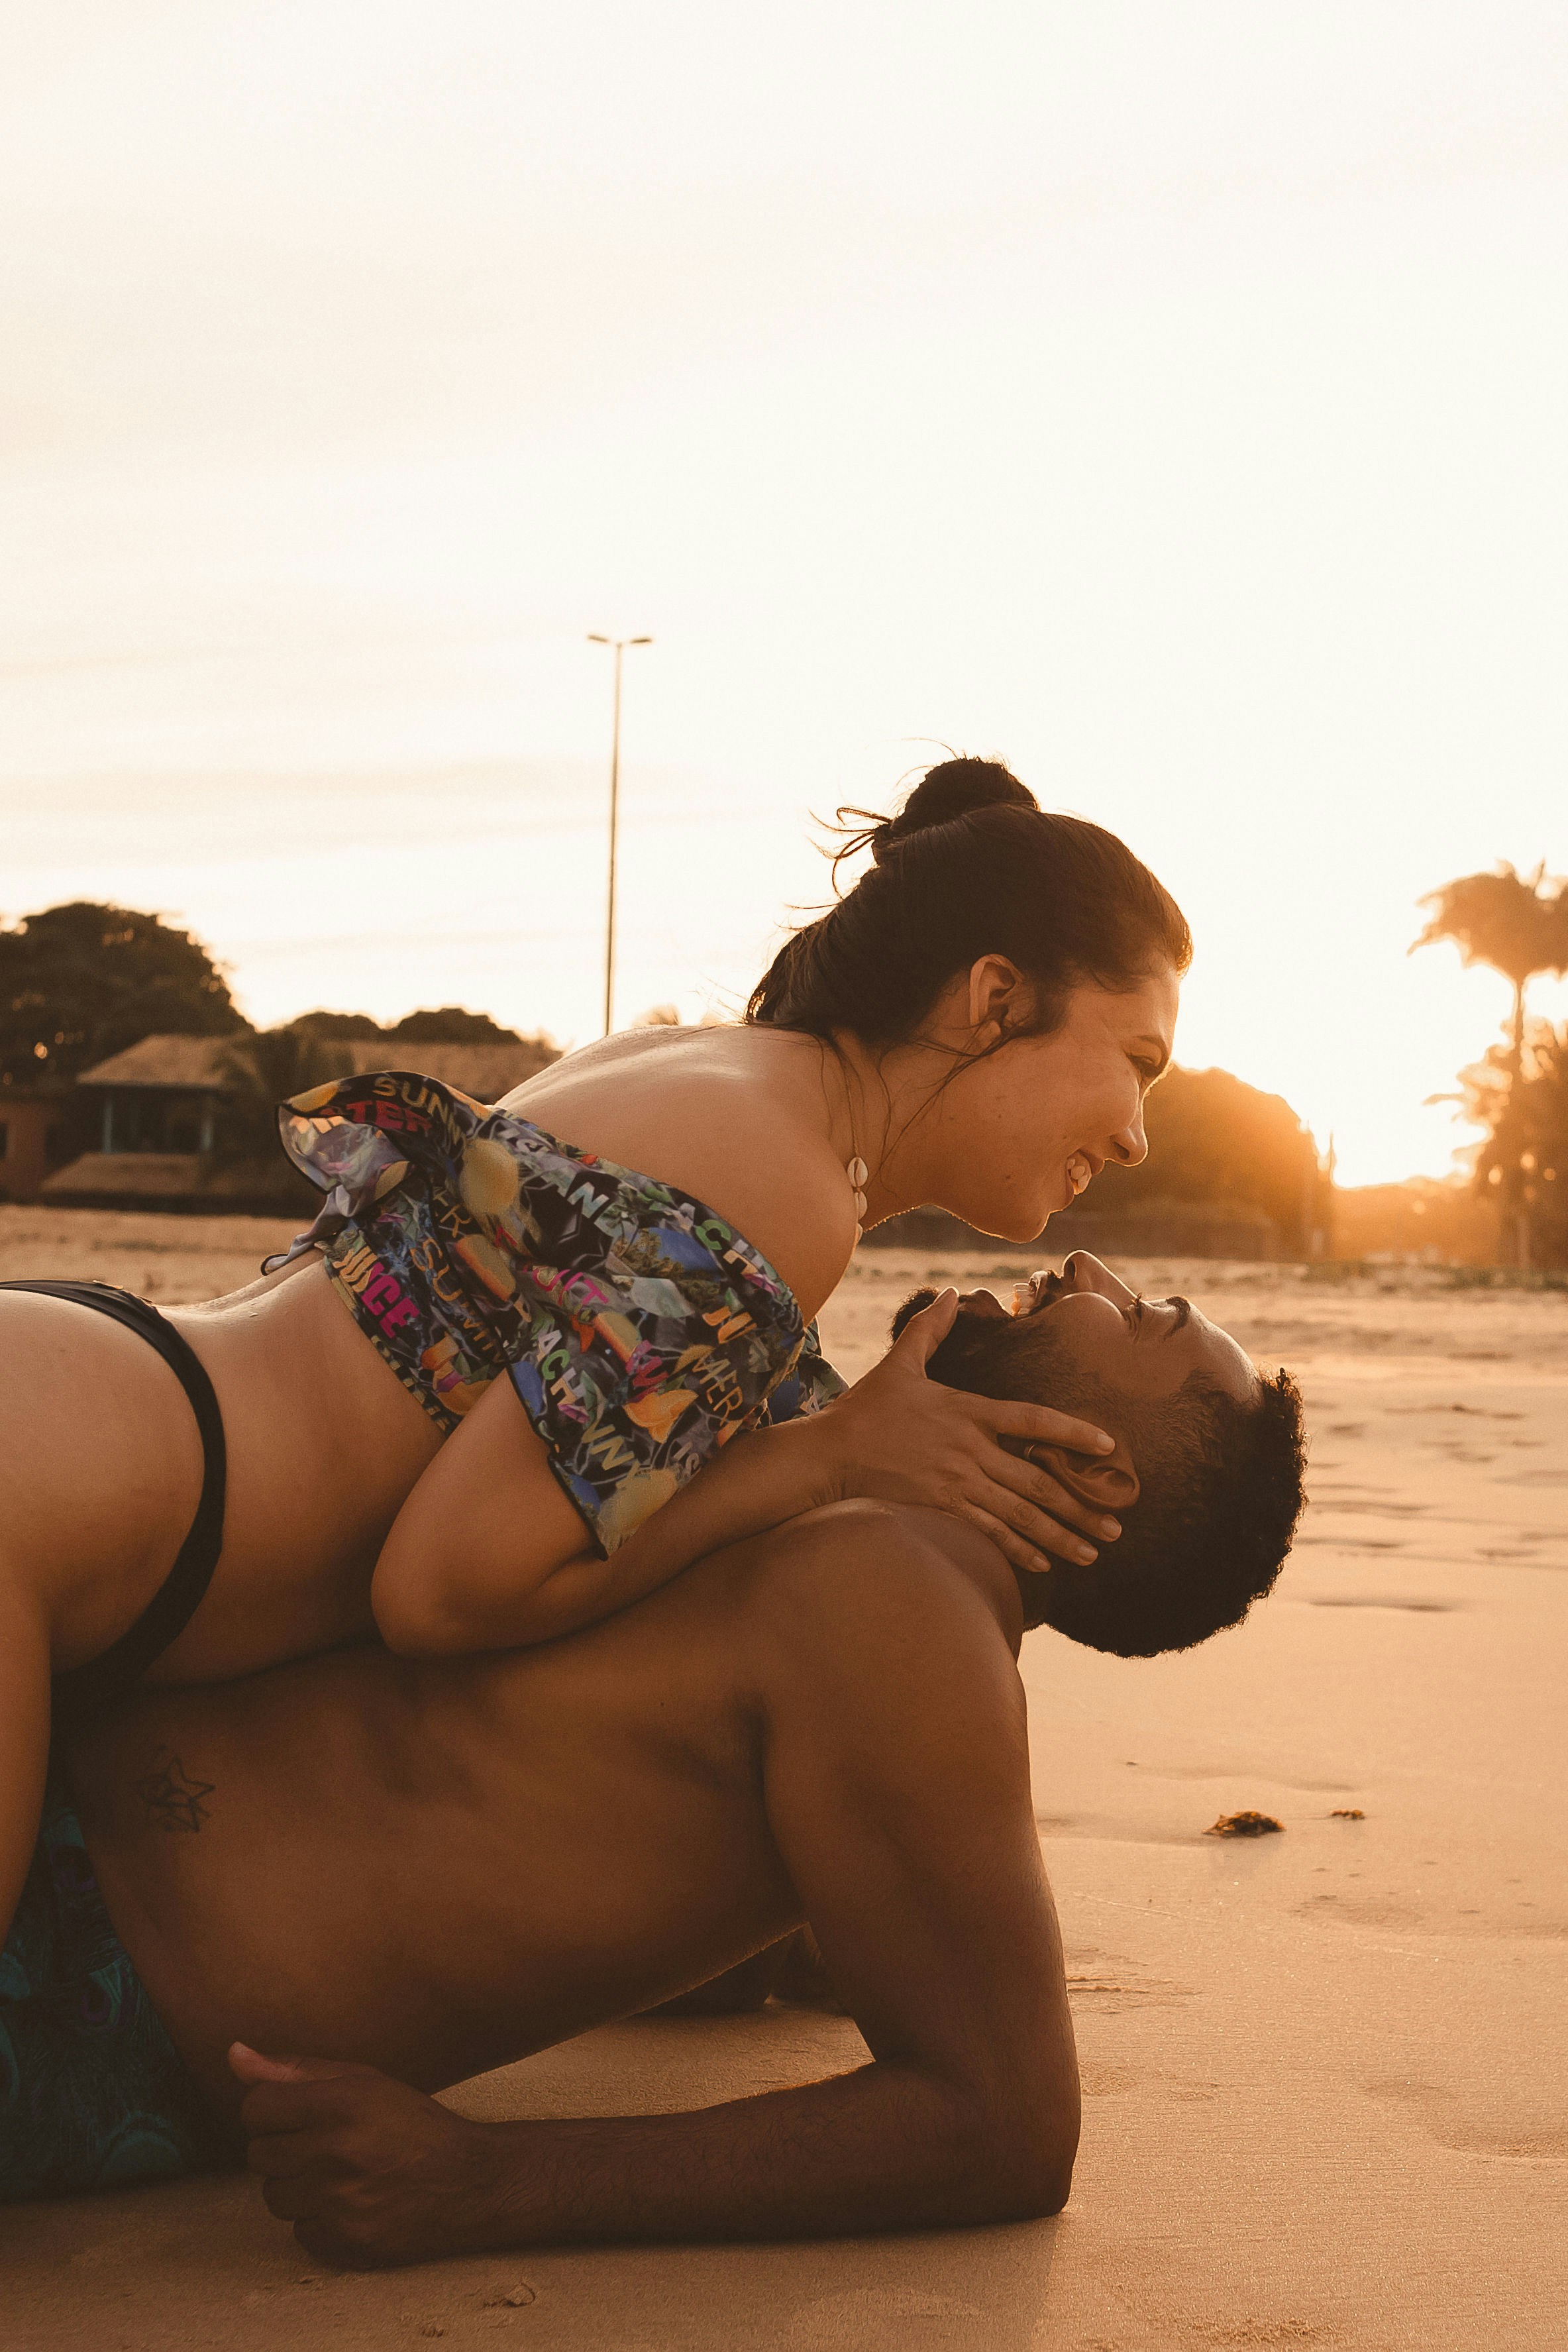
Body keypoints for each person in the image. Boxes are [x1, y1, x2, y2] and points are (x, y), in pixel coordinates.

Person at [1, 757, 1194, 1950]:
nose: (1139, 1135)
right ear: (994, 1000)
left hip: (86, 1402)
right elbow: (448, 1584)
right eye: (1137, 1061)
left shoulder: (714, 1076)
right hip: (52, 1503)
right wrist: (833, 1457)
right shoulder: (786, 1188)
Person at [1, 1258, 1304, 2244]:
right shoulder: (823, 1499)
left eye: (1140, 1320)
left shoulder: (905, 1601)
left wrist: (491, 2181)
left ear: (1096, 1471)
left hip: (75, 1969)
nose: (1087, 1273)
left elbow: (1005, 2125)